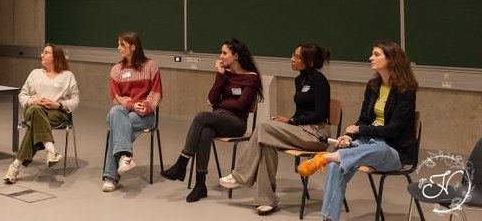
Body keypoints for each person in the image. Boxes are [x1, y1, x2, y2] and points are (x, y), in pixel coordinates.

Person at [296, 41, 419, 221]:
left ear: (391, 59)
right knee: (335, 167)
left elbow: (393, 130)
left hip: (394, 150)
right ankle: (329, 219)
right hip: (367, 143)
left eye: (376, 54)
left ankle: (330, 156)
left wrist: (361, 129)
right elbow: (363, 119)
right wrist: (348, 136)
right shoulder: (373, 85)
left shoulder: (406, 91)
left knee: (379, 149)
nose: (371, 58)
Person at [219, 43, 332, 214]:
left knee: (264, 126)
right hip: (302, 130)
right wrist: (288, 122)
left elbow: (320, 114)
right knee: (266, 143)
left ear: (309, 61)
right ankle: (267, 199)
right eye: (292, 55)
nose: (292, 59)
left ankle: (240, 176)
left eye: (296, 57)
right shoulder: (299, 79)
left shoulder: (319, 80)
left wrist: (291, 121)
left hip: (316, 134)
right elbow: (301, 111)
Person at [162, 38, 264, 202]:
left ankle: (182, 163)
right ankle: (200, 185)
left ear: (236, 56)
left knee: (201, 116)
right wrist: (220, 75)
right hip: (219, 118)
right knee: (205, 132)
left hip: (236, 123)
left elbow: (241, 105)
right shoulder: (225, 74)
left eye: (224, 53)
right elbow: (212, 98)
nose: (220, 56)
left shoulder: (251, 78)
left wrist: (220, 103)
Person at [4, 43, 80, 183]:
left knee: (34, 125)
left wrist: (58, 104)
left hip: (56, 113)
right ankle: (50, 150)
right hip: (33, 109)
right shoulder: (35, 73)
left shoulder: (67, 76)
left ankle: (16, 165)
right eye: (42, 53)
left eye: (46, 52)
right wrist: (34, 101)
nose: (41, 55)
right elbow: (22, 95)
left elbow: (75, 100)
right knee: (36, 110)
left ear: (56, 56)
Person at [102, 31, 162, 192]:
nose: (118, 48)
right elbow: (116, 97)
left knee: (116, 127)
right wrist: (132, 105)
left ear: (133, 47)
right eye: (118, 44)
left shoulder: (151, 66)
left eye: (122, 45)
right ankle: (125, 156)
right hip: (125, 111)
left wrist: (144, 106)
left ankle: (111, 177)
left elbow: (156, 93)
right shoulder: (116, 69)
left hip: (145, 115)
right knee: (115, 111)